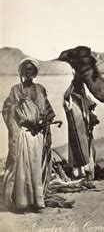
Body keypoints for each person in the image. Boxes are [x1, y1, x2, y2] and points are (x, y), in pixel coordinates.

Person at [2, 58, 55, 212]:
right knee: (22, 168)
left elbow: (48, 111)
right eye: (26, 70)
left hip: (38, 134)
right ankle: (22, 203)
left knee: (36, 167)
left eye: (31, 70)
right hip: (23, 133)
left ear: (35, 72)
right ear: (21, 72)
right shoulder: (15, 90)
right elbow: (7, 110)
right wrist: (21, 120)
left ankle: (37, 202)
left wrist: (44, 125)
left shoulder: (41, 89)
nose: (28, 72)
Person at [63, 75, 98, 180]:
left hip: (85, 132)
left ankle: (87, 173)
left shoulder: (85, 99)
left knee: (88, 149)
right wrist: (73, 83)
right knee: (77, 149)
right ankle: (78, 173)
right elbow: (65, 97)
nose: (80, 89)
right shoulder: (71, 100)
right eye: (77, 86)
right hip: (75, 132)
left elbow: (91, 109)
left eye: (81, 86)